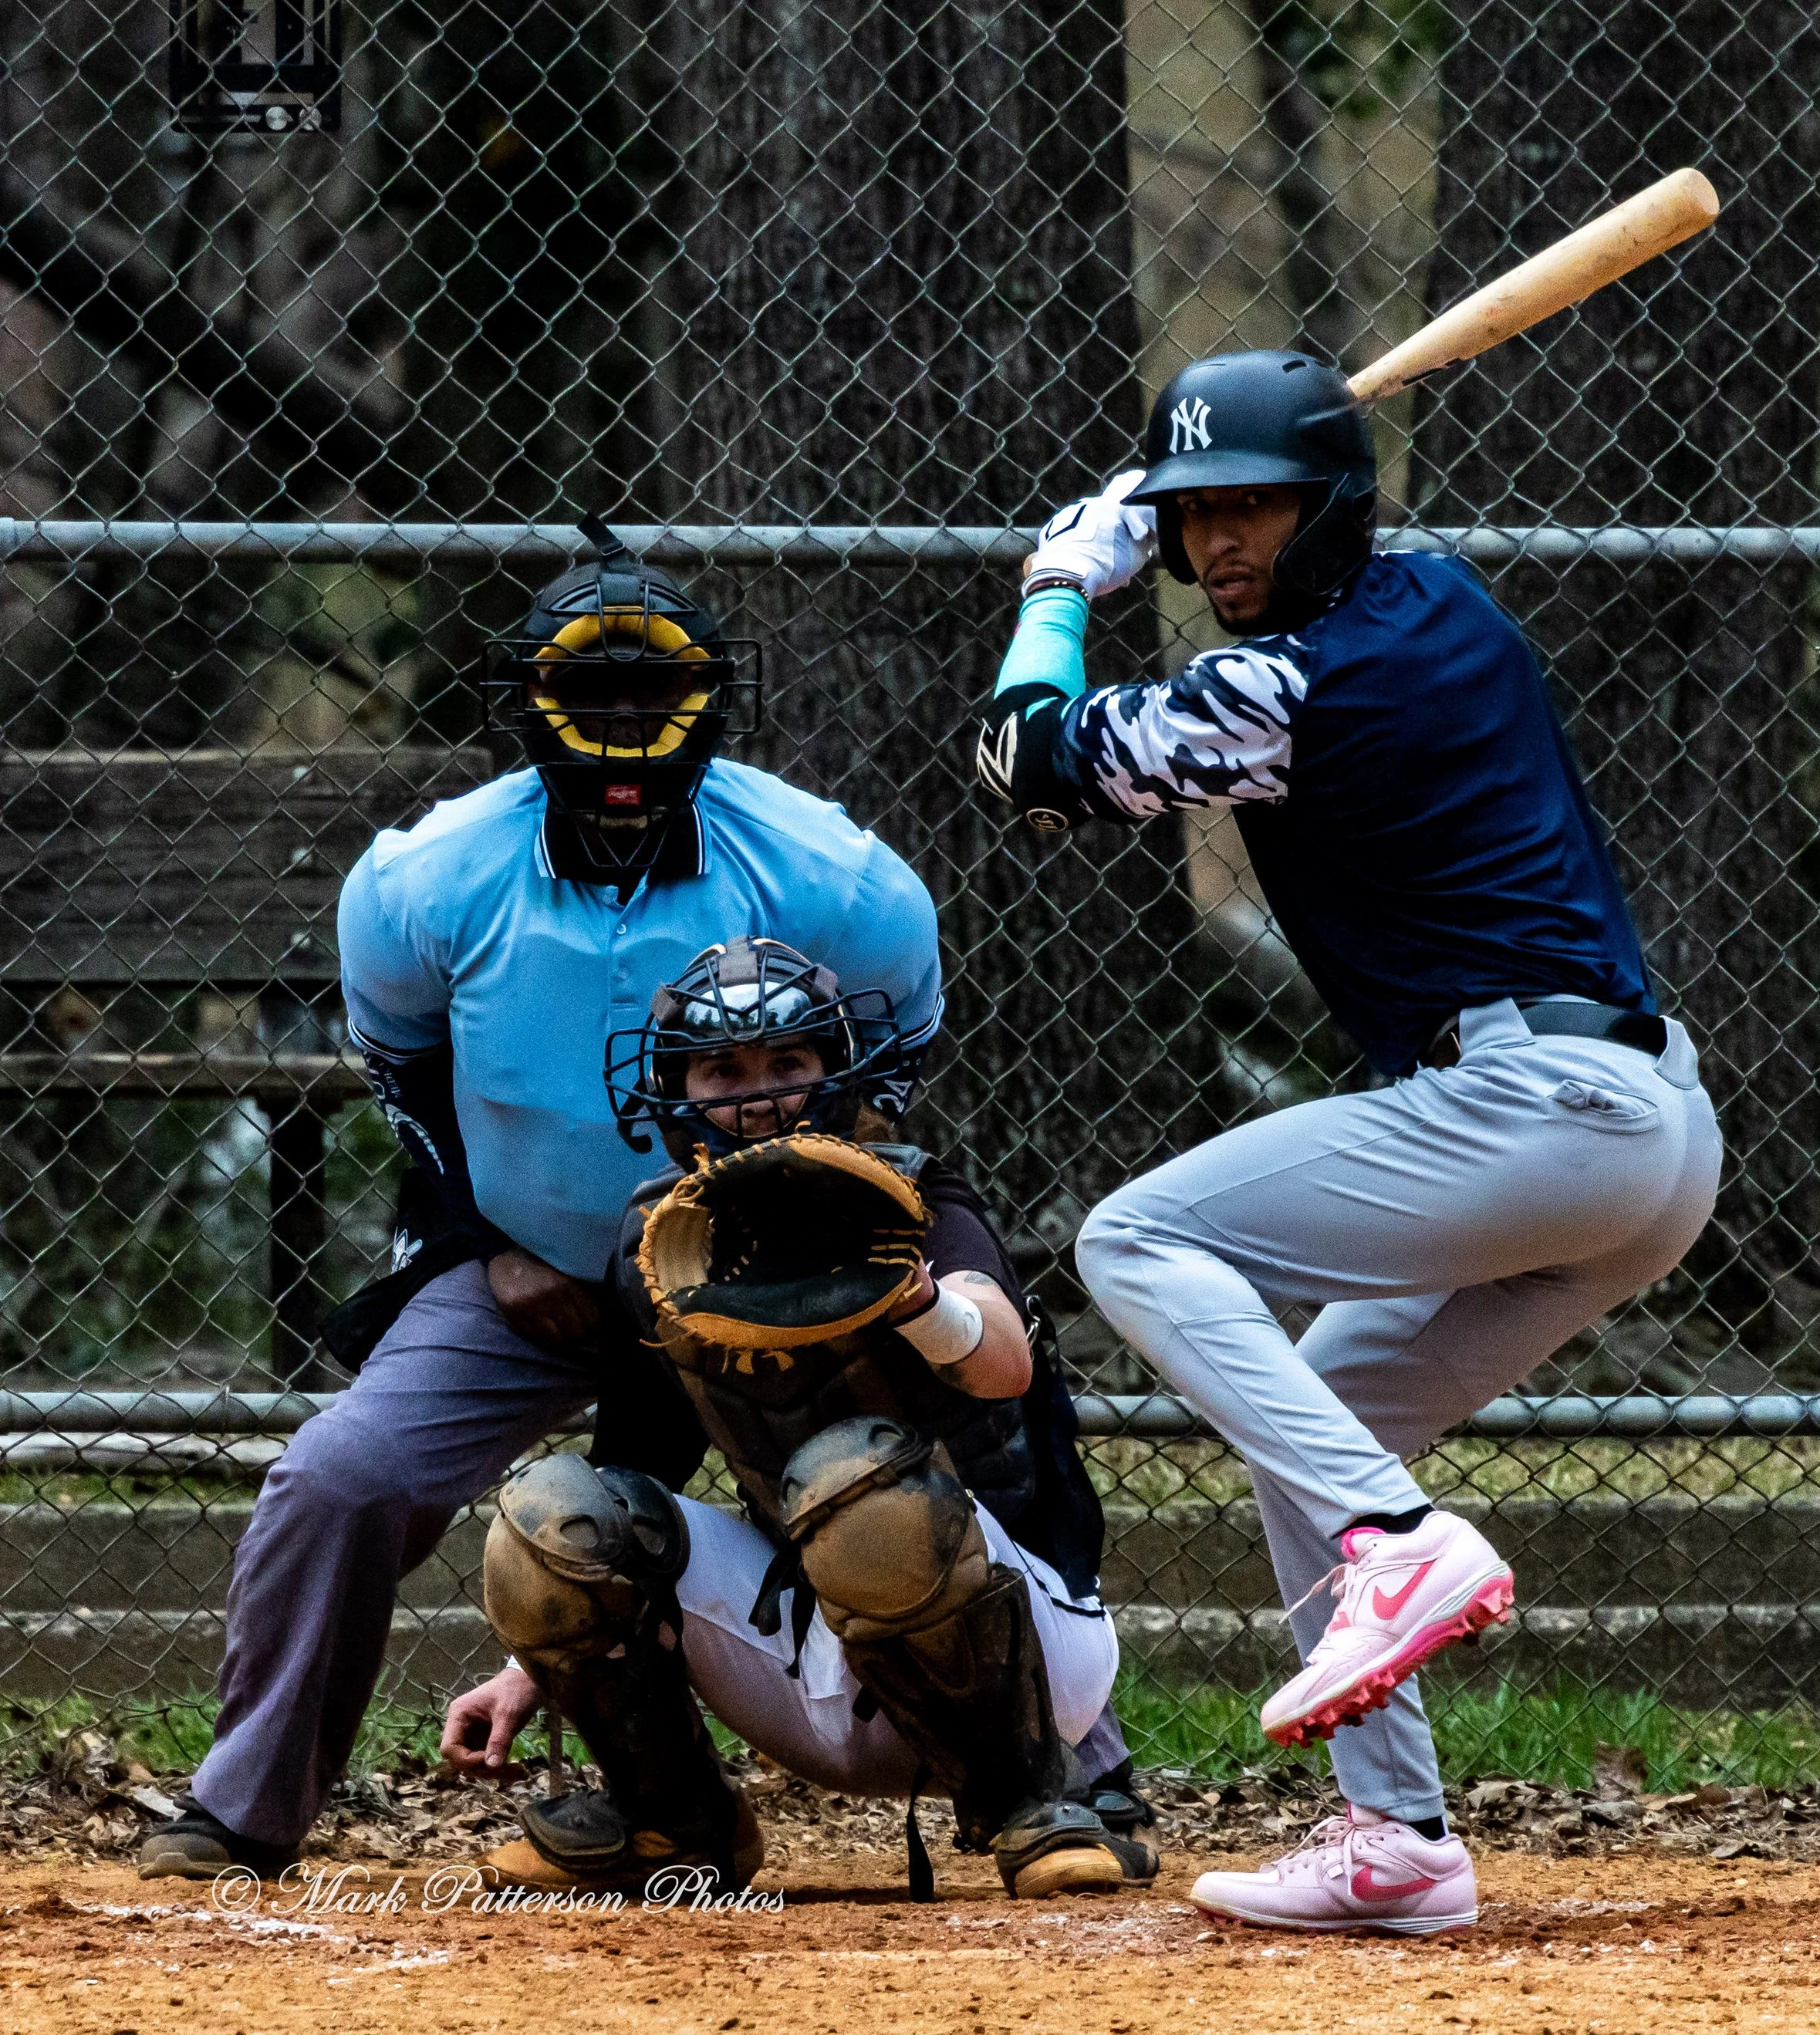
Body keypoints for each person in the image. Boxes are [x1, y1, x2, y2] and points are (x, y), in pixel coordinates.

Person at [974, 351, 1723, 1933]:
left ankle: (1396, 1540)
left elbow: (1025, 762)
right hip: (1641, 1131)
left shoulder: (1279, 691)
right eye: (1194, 516)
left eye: (1254, 506)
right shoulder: (1433, 595)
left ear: (1329, 508)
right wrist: (1183, 505)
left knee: (1134, 1238)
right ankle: (1398, 1835)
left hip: (1533, 1112)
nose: (1220, 544)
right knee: (1313, 1419)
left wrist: (1059, 583)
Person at [139, 521, 944, 1881]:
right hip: (528, 1262)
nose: (626, 722)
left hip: (764, 1276)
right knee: (339, 1475)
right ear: (531, 699)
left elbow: (887, 1075)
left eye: (656, 690)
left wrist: (765, 1266)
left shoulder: (836, 878)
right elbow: (407, 1078)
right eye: (595, 690)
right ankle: (240, 1807)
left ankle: (1062, 1780)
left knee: (907, 1479)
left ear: (711, 698)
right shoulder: (426, 879)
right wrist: (483, 1246)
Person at [440, 937, 1159, 1901]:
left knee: (856, 1474)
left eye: (788, 1063)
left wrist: (913, 1300)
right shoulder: (660, 1238)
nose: (759, 1093)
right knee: (551, 1510)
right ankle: (674, 1820)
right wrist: (532, 1667)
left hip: (1030, 1649)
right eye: (723, 1069)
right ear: (675, 1089)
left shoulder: (915, 1196)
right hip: (817, 1660)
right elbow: (635, 1470)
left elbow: (1002, 1364)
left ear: (835, 1074)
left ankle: (1036, 1803)